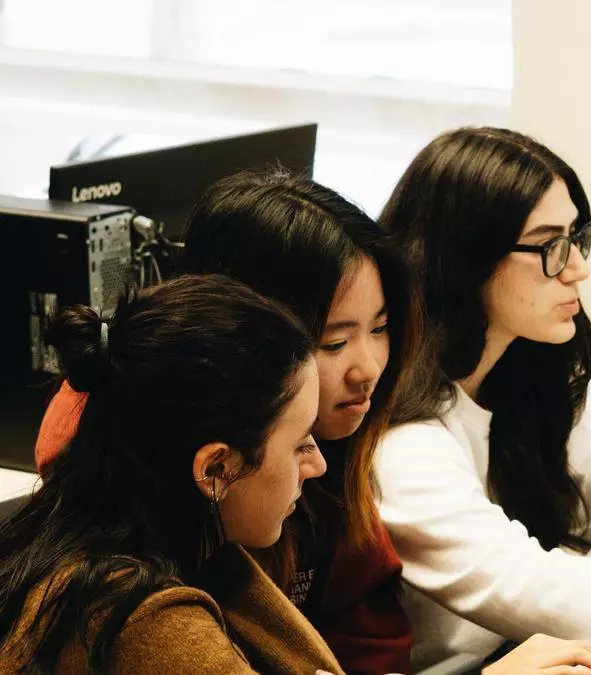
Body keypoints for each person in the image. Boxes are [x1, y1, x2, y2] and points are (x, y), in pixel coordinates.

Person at [0, 276, 591, 675]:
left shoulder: (165, 545)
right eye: (300, 442)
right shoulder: (146, 627)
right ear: (216, 468)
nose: (319, 463)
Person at [31, 170, 434, 673]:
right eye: (333, 342)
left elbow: (369, 630)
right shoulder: (145, 607)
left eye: (380, 328)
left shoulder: (323, 451)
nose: (368, 368)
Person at [375, 126, 591, 668]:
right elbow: (519, 580)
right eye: (549, 246)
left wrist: (587, 614)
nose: (578, 268)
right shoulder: (402, 439)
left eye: (576, 237)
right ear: (466, 258)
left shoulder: (530, 368)